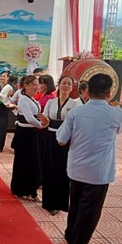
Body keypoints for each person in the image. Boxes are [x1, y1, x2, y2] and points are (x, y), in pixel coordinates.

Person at [57, 73, 122, 244]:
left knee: (76, 204)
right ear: (110, 91)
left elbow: (61, 140)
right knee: (90, 210)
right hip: (98, 172)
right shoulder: (117, 114)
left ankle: (71, 235)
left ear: (87, 90)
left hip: (76, 168)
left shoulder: (75, 112)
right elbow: (120, 128)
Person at [41, 76, 80, 215]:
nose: (66, 86)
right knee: (49, 168)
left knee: (62, 170)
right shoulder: (51, 102)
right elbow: (44, 122)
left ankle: (60, 202)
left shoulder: (76, 105)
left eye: (69, 84)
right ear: (59, 85)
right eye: (64, 83)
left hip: (66, 140)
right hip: (50, 138)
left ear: (72, 87)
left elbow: (77, 124)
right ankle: (48, 202)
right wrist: (43, 120)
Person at [10, 75, 49, 200]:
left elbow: (37, 115)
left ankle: (32, 190)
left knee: (33, 162)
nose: (36, 87)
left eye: (37, 84)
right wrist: (41, 126)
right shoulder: (23, 99)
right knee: (23, 162)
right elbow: (29, 118)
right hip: (24, 134)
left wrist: (43, 122)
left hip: (32, 133)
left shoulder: (32, 99)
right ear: (25, 86)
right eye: (33, 84)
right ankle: (20, 189)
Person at [0, 70, 13, 153]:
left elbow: (6, 98)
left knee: (2, 127)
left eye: (4, 76)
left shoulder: (9, 87)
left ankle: (0, 147)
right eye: (1, 76)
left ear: (8, 78)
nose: (2, 78)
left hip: (4, 107)